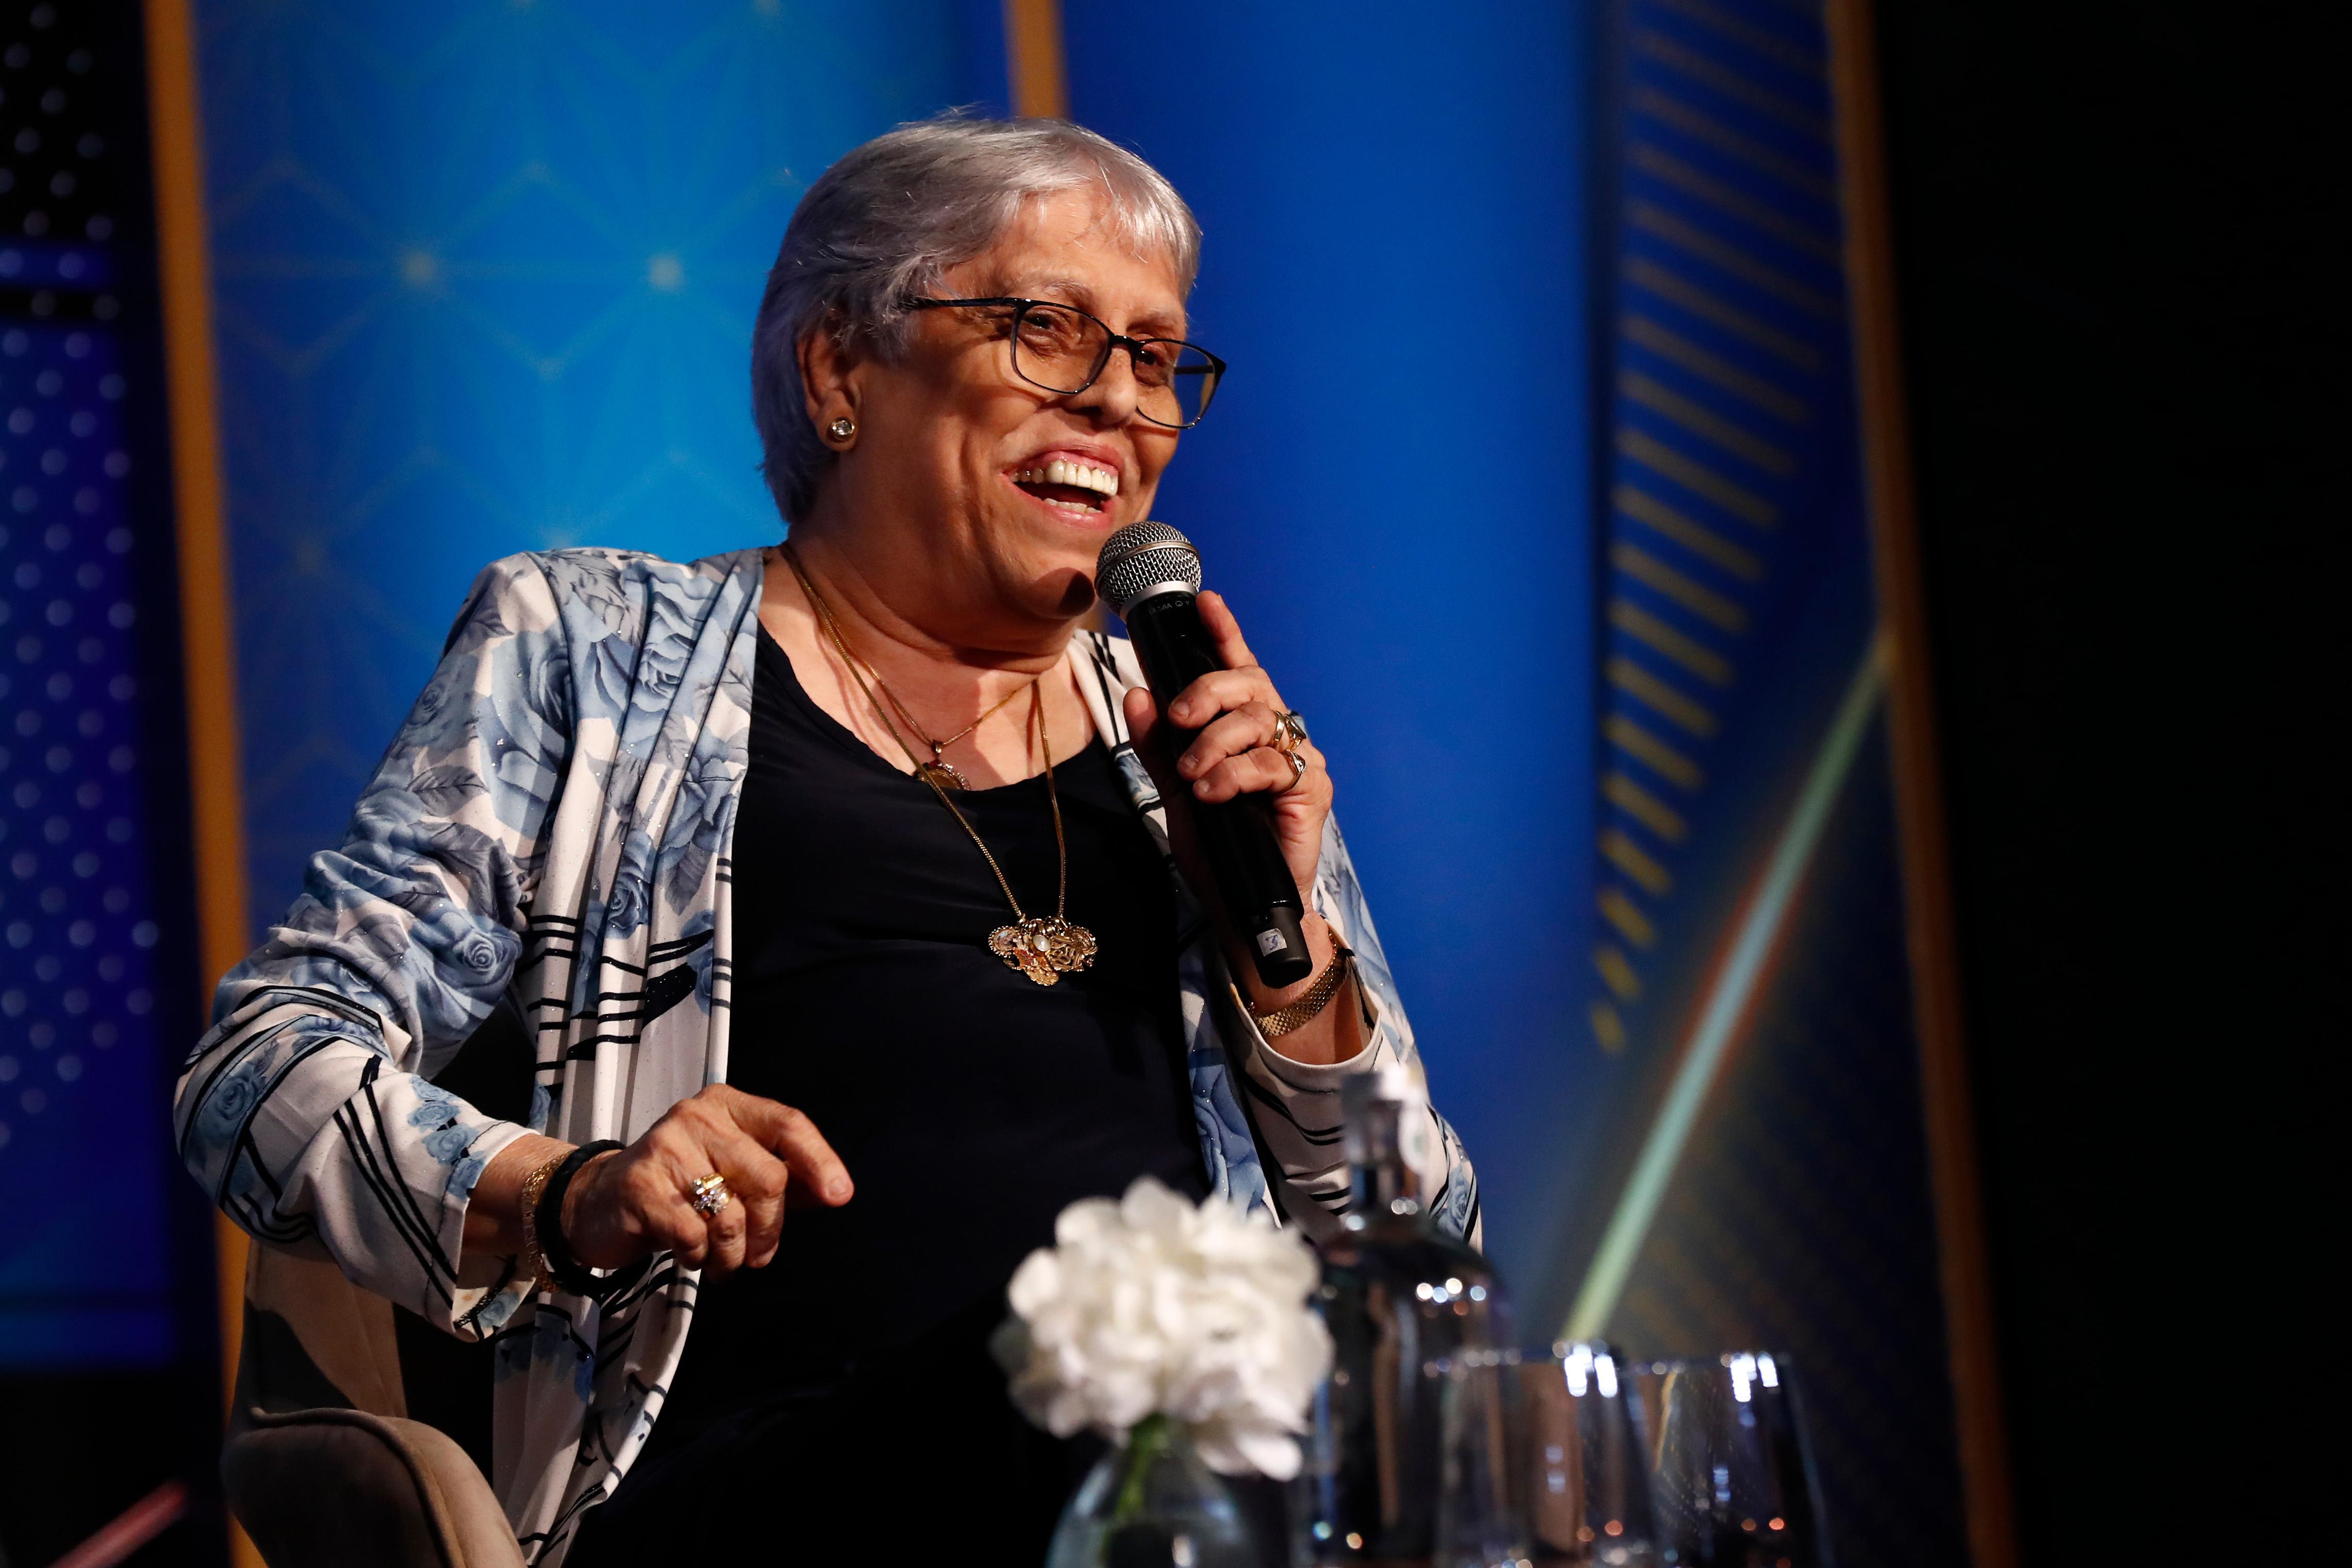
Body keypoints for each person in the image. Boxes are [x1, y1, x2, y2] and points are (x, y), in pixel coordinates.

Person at [175, 115, 1478, 1564]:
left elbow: (1424, 1260)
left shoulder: (1200, 741)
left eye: (1157, 357)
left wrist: (1285, 968)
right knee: (1100, 1367)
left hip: (1191, 1493)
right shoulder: (593, 656)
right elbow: (258, 1076)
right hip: (756, 1492)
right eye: (1047, 330)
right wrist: (575, 1192)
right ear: (841, 370)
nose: (1120, 399)